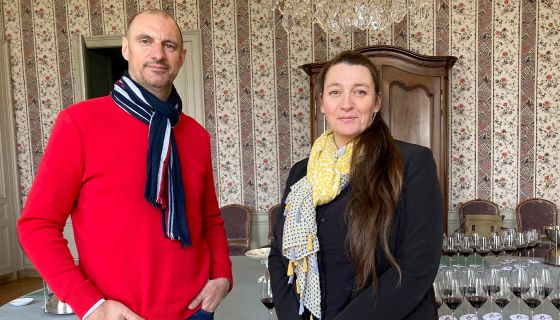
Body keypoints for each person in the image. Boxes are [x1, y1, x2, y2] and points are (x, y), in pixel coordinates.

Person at [18, 9, 231, 320]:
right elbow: (36, 225)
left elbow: (210, 219)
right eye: (146, 41)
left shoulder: (196, 135)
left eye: (169, 45)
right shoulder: (78, 124)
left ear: (182, 57)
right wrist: (89, 304)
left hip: (196, 311)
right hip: (118, 314)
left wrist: (222, 276)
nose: (158, 54)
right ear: (126, 48)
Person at [268, 50, 443, 320]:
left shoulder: (412, 163)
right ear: (322, 103)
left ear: (376, 102)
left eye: (359, 92)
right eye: (335, 92)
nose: (346, 104)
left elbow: (417, 267)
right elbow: (280, 256)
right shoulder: (301, 173)